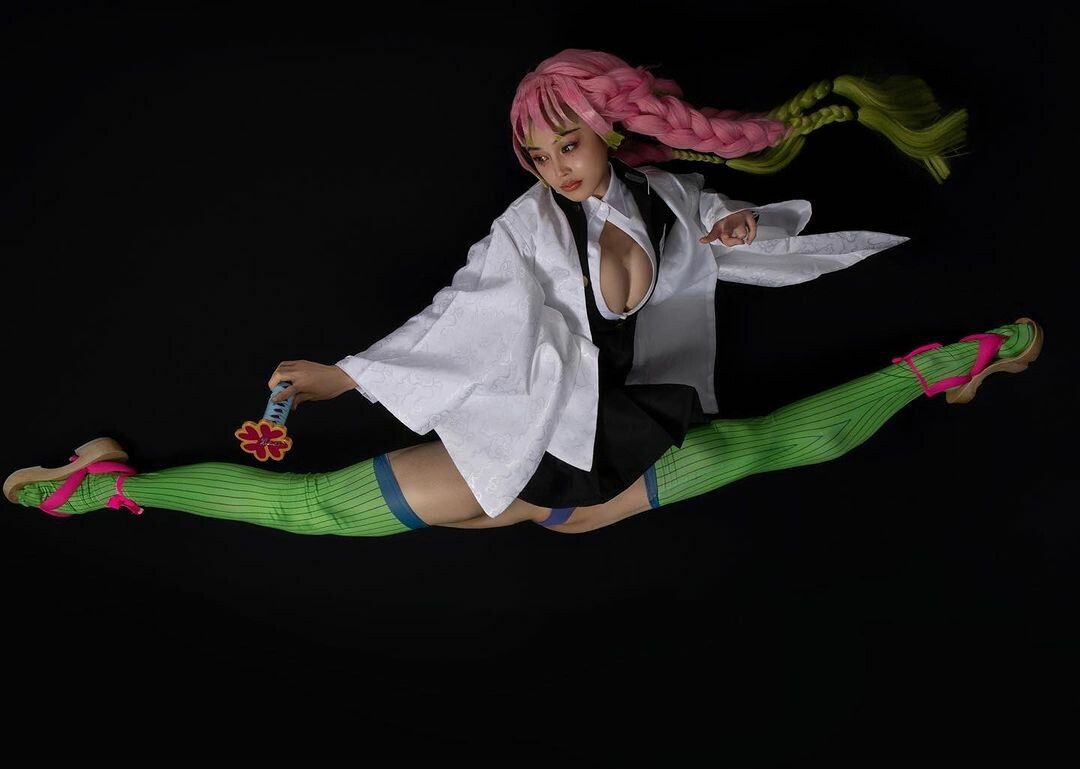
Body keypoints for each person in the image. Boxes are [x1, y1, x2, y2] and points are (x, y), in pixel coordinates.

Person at [4, 49, 1042, 537]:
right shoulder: (528, 226)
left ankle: (961, 360)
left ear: (608, 132)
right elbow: (465, 312)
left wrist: (737, 227)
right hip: (541, 437)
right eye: (539, 154)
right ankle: (108, 482)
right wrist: (345, 377)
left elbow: (736, 239)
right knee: (323, 506)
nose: (555, 166)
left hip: (627, 431)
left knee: (768, 447)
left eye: (569, 145)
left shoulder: (669, 195)